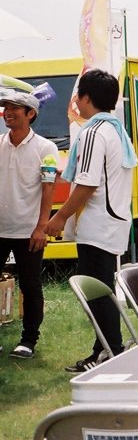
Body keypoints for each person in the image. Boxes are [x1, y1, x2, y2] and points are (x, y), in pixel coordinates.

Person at [43, 69, 136, 373]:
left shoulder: (93, 133)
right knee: (101, 289)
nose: (76, 103)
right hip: (114, 223)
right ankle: (104, 350)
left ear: (85, 97)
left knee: (97, 293)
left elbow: (87, 185)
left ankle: (113, 352)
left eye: (77, 96)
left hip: (98, 226)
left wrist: (59, 218)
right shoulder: (115, 131)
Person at [0, 92, 58, 359]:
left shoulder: (46, 148)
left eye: (14, 109)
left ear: (30, 113)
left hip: (28, 230)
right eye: (5, 108)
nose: (7, 113)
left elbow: (48, 189)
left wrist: (41, 227)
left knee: (31, 285)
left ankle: (28, 340)